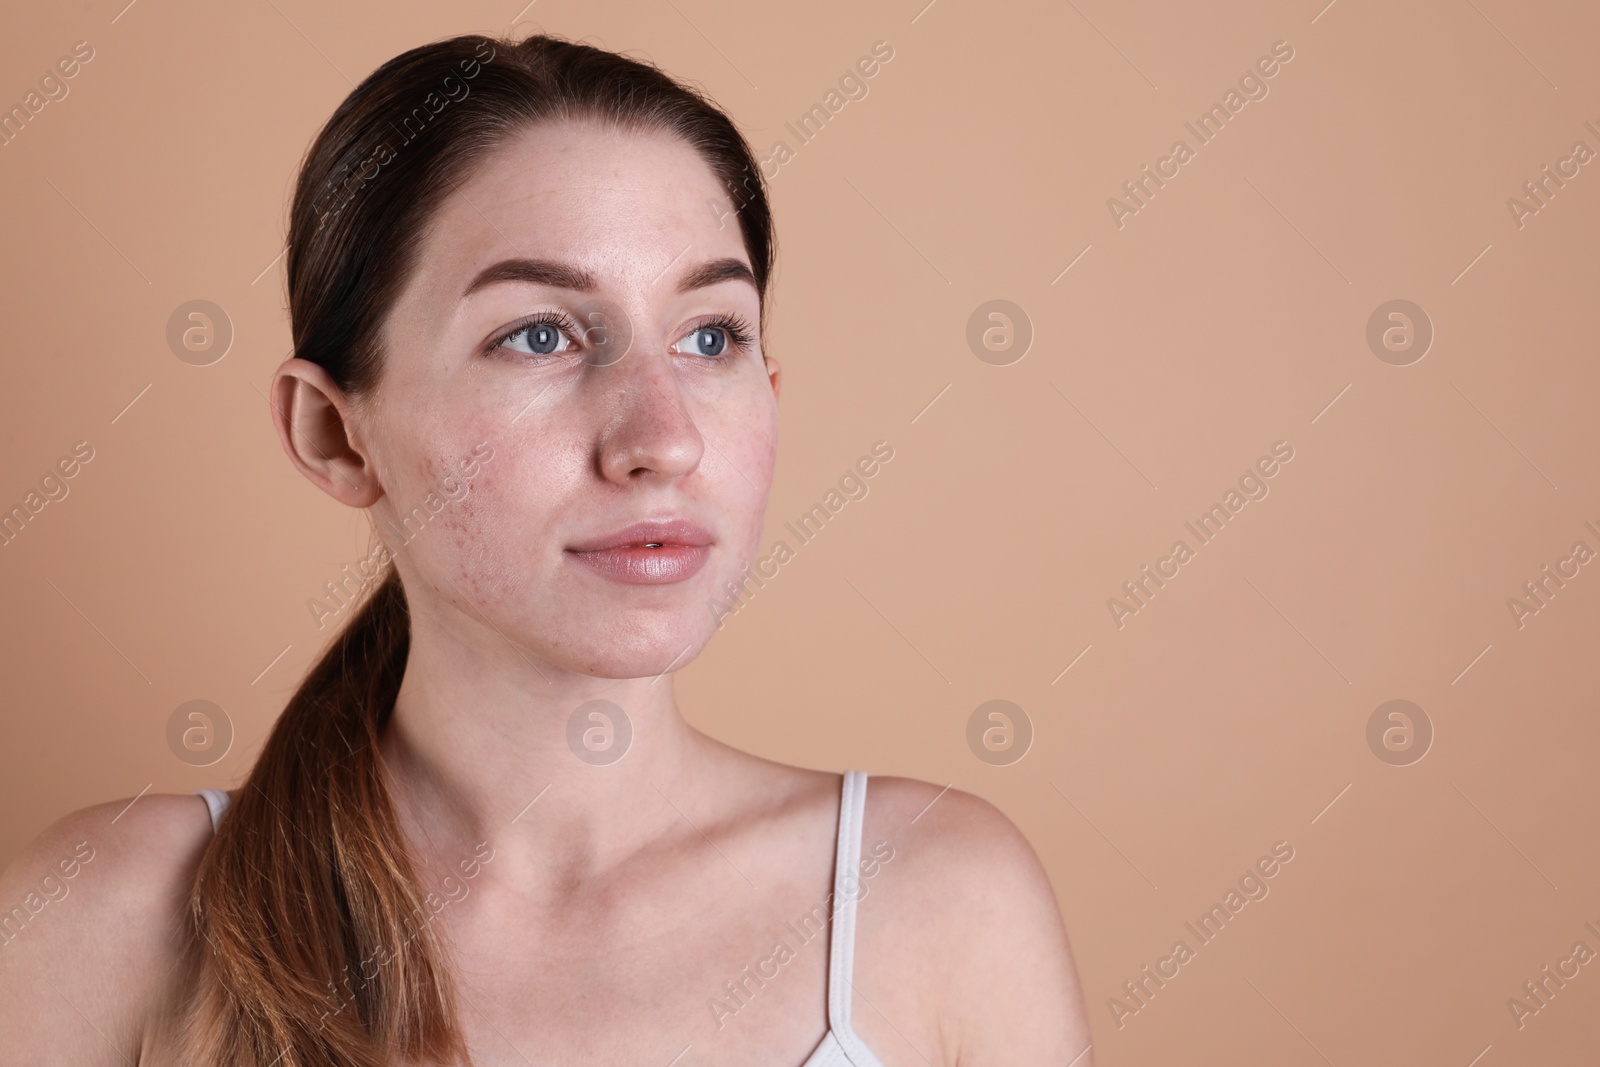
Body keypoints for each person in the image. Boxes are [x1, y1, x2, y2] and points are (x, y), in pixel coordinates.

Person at [0, 32, 1092, 1066]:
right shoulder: (110, 915)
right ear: (336, 432)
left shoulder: (937, 897)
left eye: (710, 335)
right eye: (540, 334)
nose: (662, 439)